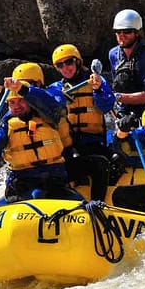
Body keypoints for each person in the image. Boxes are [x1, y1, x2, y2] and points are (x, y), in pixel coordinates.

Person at [0, 63, 82, 206]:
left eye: (23, 88)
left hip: (55, 175)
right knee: (36, 194)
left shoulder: (51, 106)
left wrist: (21, 89)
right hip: (22, 183)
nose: (18, 102)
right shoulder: (9, 121)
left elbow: (52, 105)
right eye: (12, 101)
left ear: (37, 83)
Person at [47, 44, 119, 200]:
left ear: (77, 62)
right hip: (69, 144)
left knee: (116, 160)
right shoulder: (55, 89)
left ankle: (102, 202)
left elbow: (107, 105)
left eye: (69, 62)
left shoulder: (95, 81)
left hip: (94, 141)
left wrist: (98, 89)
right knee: (74, 159)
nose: (65, 68)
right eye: (60, 65)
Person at [108, 9, 145, 119]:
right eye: (118, 31)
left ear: (137, 33)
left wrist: (117, 97)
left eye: (127, 31)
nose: (122, 35)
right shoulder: (113, 54)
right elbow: (117, 86)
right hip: (124, 113)